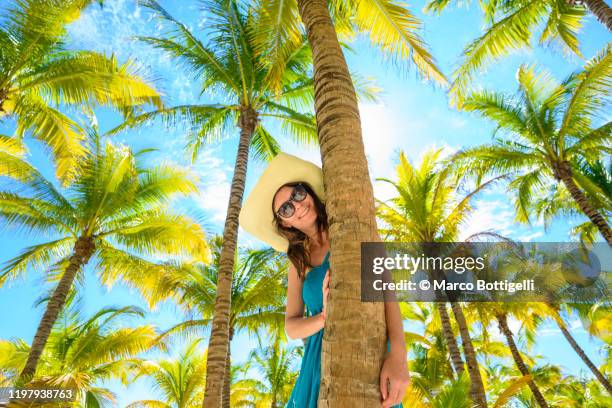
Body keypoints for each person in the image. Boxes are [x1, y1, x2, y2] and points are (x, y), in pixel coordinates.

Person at [239, 152, 410, 407]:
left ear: (307, 192)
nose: (297, 205)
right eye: (286, 208)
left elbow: (387, 293)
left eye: (297, 194)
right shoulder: (297, 262)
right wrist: (323, 318)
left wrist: (399, 356)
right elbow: (291, 326)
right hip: (318, 362)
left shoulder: (354, 228)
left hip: (367, 349)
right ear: (285, 224)